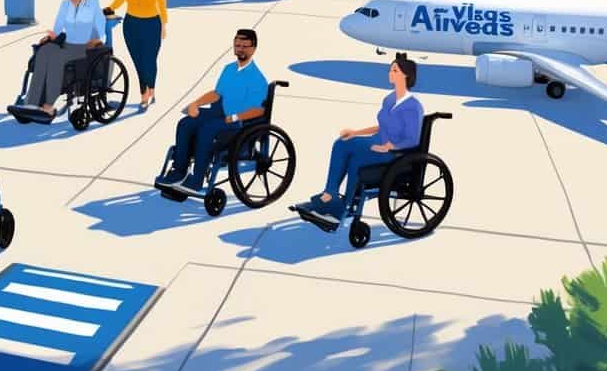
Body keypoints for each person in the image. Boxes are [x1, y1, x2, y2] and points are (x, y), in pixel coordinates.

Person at [297, 53, 424, 226]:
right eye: (390, 69)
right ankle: (330, 194)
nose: (390, 73)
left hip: (393, 153)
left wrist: (390, 146)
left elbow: (413, 139)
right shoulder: (389, 99)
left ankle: (346, 205)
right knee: (342, 142)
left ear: (406, 75)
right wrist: (356, 132)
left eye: (395, 70)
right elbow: (381, 127)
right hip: (377, 142)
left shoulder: (413, 106)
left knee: (356, 158)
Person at [157, 29, 268, 194]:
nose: (240, 49)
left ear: (253, 48)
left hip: (239, 121)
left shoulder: (257, 78)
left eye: (245, 46)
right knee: (185, 123)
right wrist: (195, 104)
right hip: (218, 113)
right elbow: (216, 94)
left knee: (206, 130)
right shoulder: (229, 69)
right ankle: (179, 171)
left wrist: (235, 117)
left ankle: (197, 179)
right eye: (238, 45)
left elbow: (258, 110)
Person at [20, 0, 106, 118]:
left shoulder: (93, 3)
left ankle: (49, 105)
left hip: (84, 47)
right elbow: (58, 27)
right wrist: (50, 37)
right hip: (67, 44)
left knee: (56, 58)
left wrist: (99, 40)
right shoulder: (65, 4)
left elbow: (100, 25)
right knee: (44, 52)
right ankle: (32, 102)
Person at [106, 0, 167, 112]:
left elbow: (161, 3)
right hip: (132, 25)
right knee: (138, 61)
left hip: (152, 24)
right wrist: (108, 9)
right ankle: (143, 94)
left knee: (149, 60)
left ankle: (151, 87)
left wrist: (164, 25)